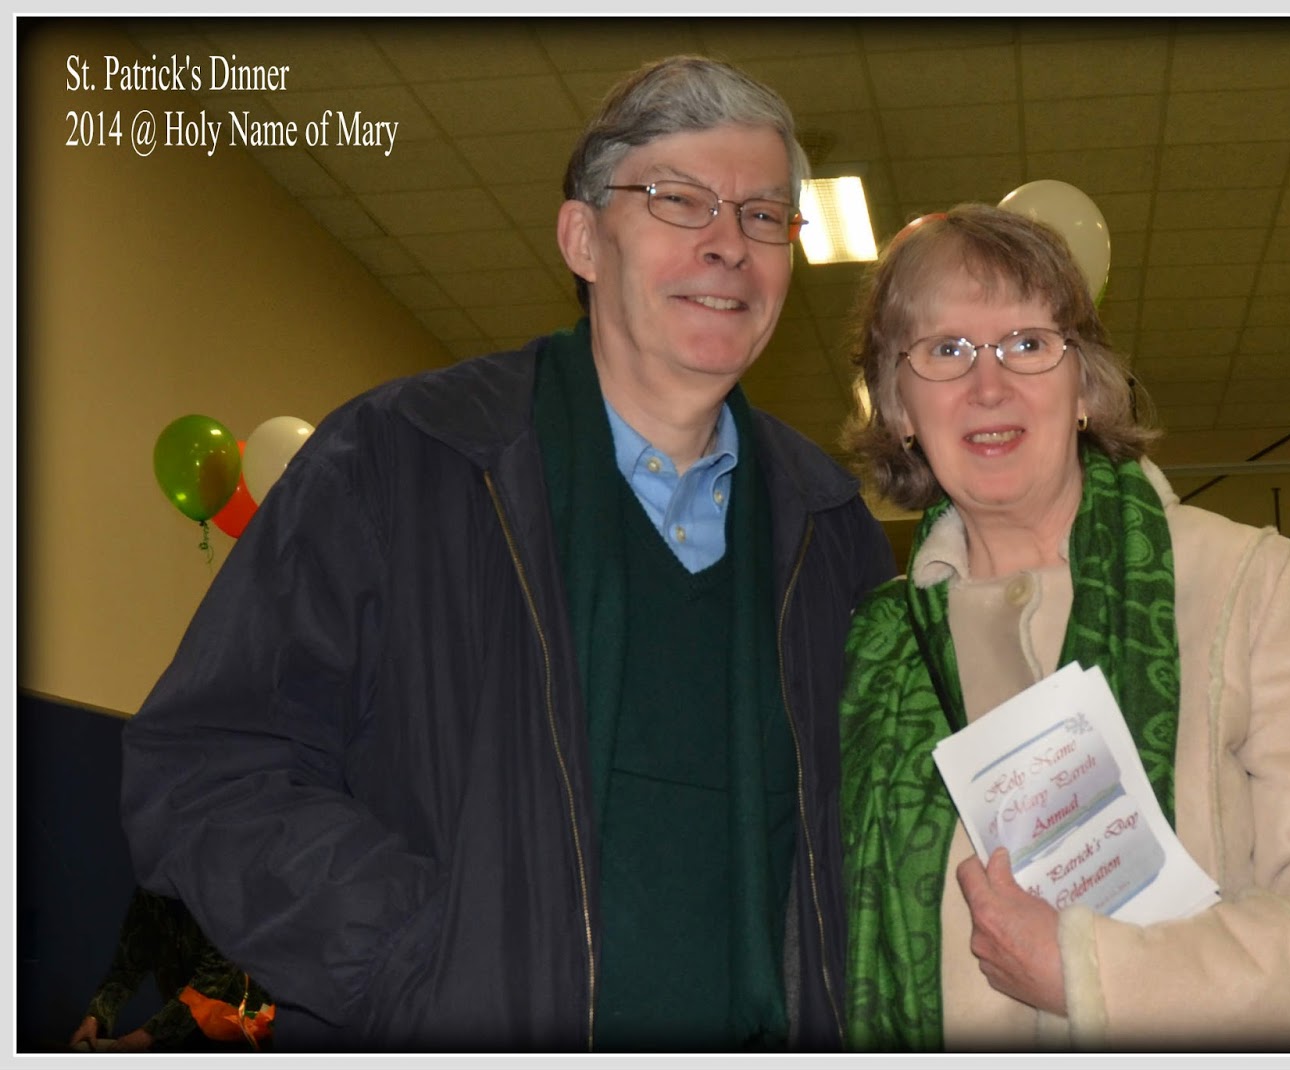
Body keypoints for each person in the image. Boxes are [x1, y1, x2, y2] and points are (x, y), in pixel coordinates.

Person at [120, 55, 895, 1053]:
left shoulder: (831, 531)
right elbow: (207, 768)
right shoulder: (401, 460)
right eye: (678, 200)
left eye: (762, 215)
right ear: (582, 237)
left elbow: (878, 844)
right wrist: (417, 957)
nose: (727, 246)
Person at [837, 204, 1290, 1052]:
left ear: (1085, 384)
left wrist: (1098, 975)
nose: (989, 385)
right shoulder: (873, 648)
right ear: (899, 407)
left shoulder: (1244, 584)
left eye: (1028, 344)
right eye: (945, 351)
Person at [69, 888, 273, 1052]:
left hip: (248, 1036)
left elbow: (210, 980)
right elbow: (126, 969)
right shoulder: (148, 896)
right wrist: (95, 1018)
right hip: (185, 1039)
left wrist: (149, 1034)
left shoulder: (223, 895)